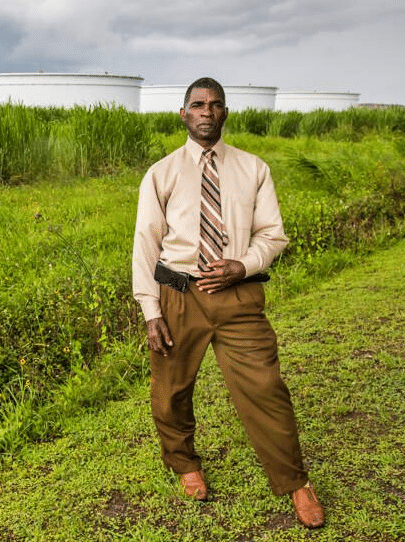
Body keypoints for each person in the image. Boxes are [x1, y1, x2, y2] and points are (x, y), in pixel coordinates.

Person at [131, 77, 325, 529]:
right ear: (183, 113)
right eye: (197, 104)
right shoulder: (161, 173)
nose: (206, 112)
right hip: (178, 293)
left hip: (238, 295)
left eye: (215, 105)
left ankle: (296, 483)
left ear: (225, 114)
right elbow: (145, 244)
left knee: (266, 389)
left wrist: (243, 264)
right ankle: (185, 465)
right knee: (171, 391)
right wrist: (150, 310)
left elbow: (272, 235)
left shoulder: (252, 168)